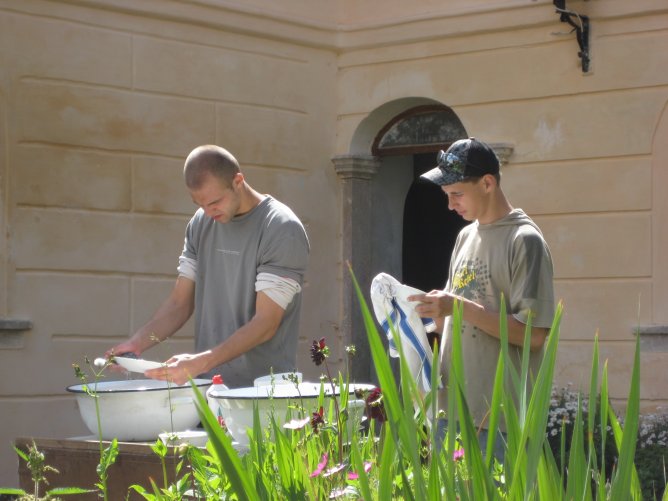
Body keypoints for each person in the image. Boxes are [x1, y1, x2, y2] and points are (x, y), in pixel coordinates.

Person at [106, 145, 310, 387]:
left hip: (264, 392)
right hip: (209, 389)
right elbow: (179, 304)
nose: (208, 211)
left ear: (238, 181)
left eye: (215, 202)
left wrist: (200, 362)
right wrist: (137, 343)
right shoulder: (201, 223)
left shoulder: (282, 228)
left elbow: (266, 322)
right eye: (199, 204)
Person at [407, 137, 555, 456]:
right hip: (449, 411)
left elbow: (534, 336)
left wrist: (459, 307)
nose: (450, 205)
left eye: (457, 194)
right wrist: (426, 318)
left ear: (487, 183)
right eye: (447, 195)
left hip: (499, 421)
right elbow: (451, 323)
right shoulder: (465, 236)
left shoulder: (525, 240)